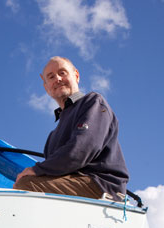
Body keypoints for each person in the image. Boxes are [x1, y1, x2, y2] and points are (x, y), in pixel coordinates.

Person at [13, 56, 129, 201]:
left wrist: (36, 169)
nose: (58, 79)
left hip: (99, 185)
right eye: (51, 76)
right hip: (72, 184)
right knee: (23, 185)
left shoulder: (92, 102)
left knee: (27, 185)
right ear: (46, 87)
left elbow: (81, 149)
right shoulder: (52, 136)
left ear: (76, 75)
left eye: (62, 73)